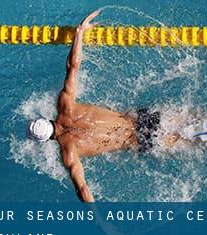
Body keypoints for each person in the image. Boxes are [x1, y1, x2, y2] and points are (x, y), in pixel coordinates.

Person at [28, 11, 180, 202]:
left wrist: (99, 221)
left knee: (198, 141)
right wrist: (79, 33)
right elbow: (73, 66)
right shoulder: (65, 105)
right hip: (142, 118)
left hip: (141, 140)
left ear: (46, 140)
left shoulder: (69, 152)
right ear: (46, 119)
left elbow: (82, 189)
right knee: (196, 118)